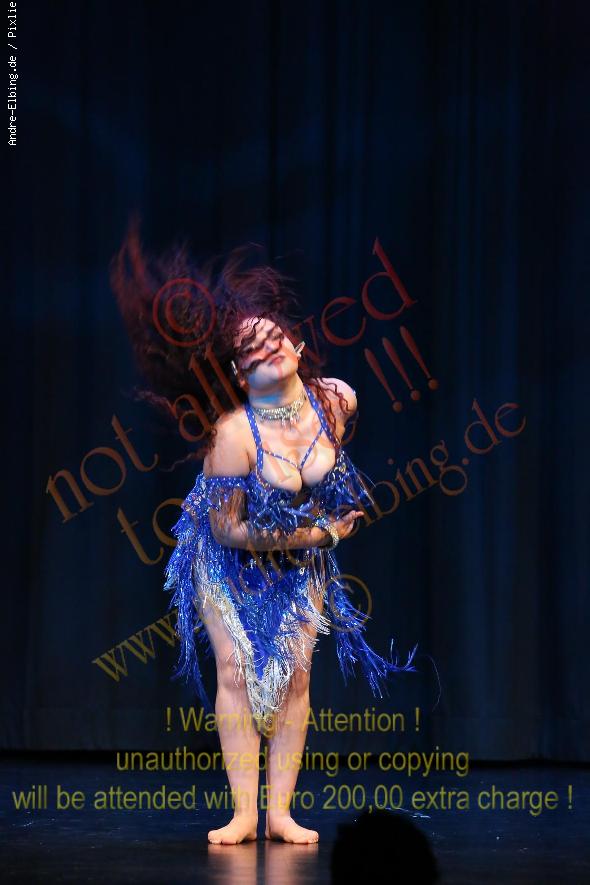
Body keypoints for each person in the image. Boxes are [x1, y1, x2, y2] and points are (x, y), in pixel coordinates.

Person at [110, 219, 418, 845]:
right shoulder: (231, 436)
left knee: (297, 676)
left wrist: (324, 520)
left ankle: (280, 813)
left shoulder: (338, 401)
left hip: (301, 552)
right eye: (253, 347)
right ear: (238, 370)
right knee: (236, 669)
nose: (270, 346)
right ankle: (244, 813)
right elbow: (228, 531)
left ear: (297, 347)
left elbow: (329, 476)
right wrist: (317, 537)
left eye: (276, 336)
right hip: (226, 556)